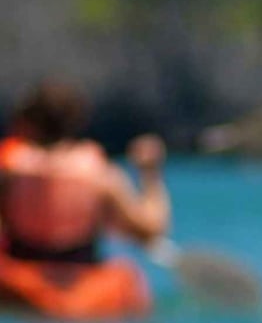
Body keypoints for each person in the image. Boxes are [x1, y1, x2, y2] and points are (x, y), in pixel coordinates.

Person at [0, 80, 172, 262]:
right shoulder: (98, 175)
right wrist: (150, 173)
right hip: (79, 282)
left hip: (18, 283)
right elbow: (148, 230)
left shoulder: (11, 172)